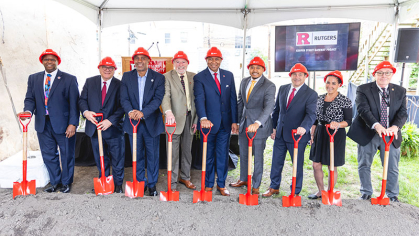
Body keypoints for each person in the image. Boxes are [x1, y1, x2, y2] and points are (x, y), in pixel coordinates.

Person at [19, 49, 79, 193]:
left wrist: (73, 123)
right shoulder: (33, 79)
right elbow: (29, 98)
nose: (49, 62)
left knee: (66, 154)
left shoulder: (69, 79)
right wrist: (28, 111)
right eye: (46, 59)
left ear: (57, 61)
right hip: (42, 123)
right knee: (48, 155)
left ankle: (66, 182)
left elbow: (74, 103)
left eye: (52, 59)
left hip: (64, 124)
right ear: (42, 61)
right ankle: (55, 182)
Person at [348, 61, 407, 202]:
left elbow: (403, 113)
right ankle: (366, 192)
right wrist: (376, 125)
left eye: (387, 73)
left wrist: (395, 127)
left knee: (392, 166)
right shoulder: (363, 89)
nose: (384, 76)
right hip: (368, 132)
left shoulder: (400, 91)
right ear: (374, 74)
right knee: (364, 164)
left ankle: (392, 194)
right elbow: (363, 109)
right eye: (380, 73)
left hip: (390, 134)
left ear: (392, 75)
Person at [262, 63, 317, 197]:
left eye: (300, 74)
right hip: (280, 133)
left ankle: (295, 191)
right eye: (294, 74)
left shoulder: (311, 94)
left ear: (305, 76)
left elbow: (311, 114)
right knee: (276, 162)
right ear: (290, 75)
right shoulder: (283, 89)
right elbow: (277, 111)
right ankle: (274, 187)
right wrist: (273, 127)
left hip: (297, 136)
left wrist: (304, 127)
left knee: (297, 165)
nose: (297, 77)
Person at [120, 47, 165, 196]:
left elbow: (158, 99)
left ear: (148, 61)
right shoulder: (127, 77)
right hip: (133, 123)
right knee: (136, 154)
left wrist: (142, 113)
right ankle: (140, 182)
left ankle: (152, 184)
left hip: (151, 122)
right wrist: (131, 111)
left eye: (143, 58)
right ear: (133, 61)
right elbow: (124, 98)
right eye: (137, 58)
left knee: (152, 156)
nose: (140, 61)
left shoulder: (158, 77)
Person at [194, 47, 238, 196]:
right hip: (208, 125)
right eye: (211, 59)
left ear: (220, 60)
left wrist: (234, 121)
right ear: (206, 60)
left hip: (225, 124)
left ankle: (221, 184)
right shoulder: (200, 77)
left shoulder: (228, 75)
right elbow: (199, 99)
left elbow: (233, 99)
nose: (214, 62)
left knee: (222, 155)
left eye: (216, 59)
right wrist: (203, 118)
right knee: (208, 155)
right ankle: (208, 184)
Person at [229, 57, 275, 195]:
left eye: (258, 67)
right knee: (243, 154)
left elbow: (269, 107)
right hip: (244, 125)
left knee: (258, 157)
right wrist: (236, 122)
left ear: (263, 70)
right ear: (249, 68)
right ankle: (244, 179)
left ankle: (256, 185)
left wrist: (257, 122)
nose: (254, 70)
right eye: (252, 67)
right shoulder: (244, 82)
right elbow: (240, 103)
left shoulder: (269, 85)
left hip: (259, 128)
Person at [79, 57, 125, 193]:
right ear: (99, 68)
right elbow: (82, 100)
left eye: (110, 68)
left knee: (117, 159)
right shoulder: (90, 82)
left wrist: (110, 121)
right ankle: (104, 181)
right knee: (101, 158)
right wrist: (86, 112)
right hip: (95, 129)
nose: (107, 69)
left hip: (113, 130)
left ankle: (117, 185)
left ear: (114, 70)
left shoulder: (120, 85)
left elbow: (123, 106)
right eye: (104, 67)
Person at [308, 70, 352, 199]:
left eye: (333, 83)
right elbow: (315, 119)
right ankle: (321, 191)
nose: (330, 85)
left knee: (331, 165)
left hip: (335, 134)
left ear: (339, 84)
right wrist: (312, 134)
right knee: (316, 164)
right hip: (320, 132)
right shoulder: (319, 98)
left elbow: (349, 121)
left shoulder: (345, 100)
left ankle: (330, 192)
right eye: (328, 83)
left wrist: (338, 124)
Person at [161, 51, 197, 190]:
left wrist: (196, 119)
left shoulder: (194, 77)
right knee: (173, 152)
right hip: (173, 119)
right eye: (177, 62)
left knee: (187, 151)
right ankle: (172, 181)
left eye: (183, 62)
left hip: (190, 118)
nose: (180, 64)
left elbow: (197, 99)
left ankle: (185, 177)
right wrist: (168, 112)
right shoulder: (167, 77)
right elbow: (166, 96)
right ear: (173, 63)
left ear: (187, 63)